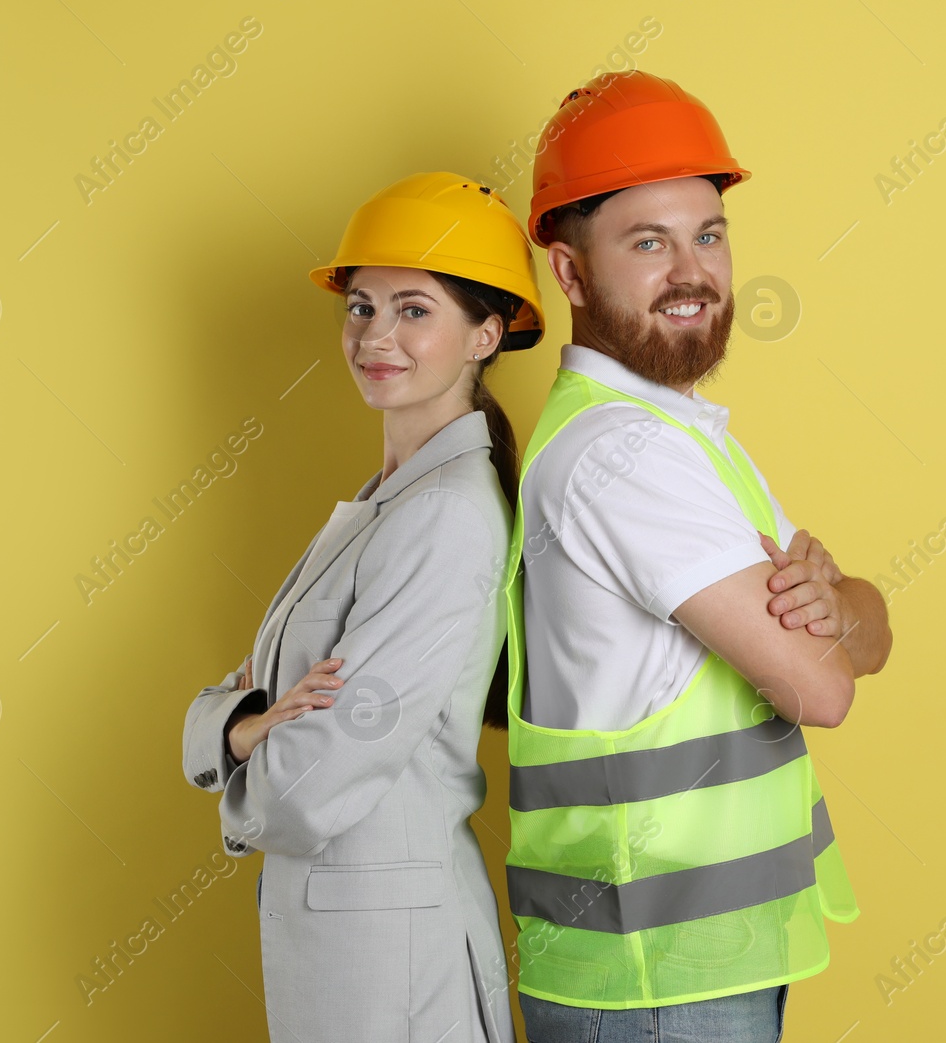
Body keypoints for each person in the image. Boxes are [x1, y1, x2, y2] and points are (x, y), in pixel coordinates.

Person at [500, 71, 895, 1041]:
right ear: (569, 271)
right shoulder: (621, 456)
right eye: (647, 242)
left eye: (707, 234)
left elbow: (870, 625)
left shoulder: (682, 435)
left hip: (693, 961)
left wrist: (835, 602)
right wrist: (830, 616)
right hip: (649, 977)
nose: (692, 270)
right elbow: (827, 689)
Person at [181, 171, 544, 1043]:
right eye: (361, 308)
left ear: (485, 333)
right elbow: (254, 707)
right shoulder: (386, 501)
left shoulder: (448, 514)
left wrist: (242, 742)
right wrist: (239, 730)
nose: (375, 335)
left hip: (393, 957)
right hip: (351, 945)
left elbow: (312, 784)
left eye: (414, 310)